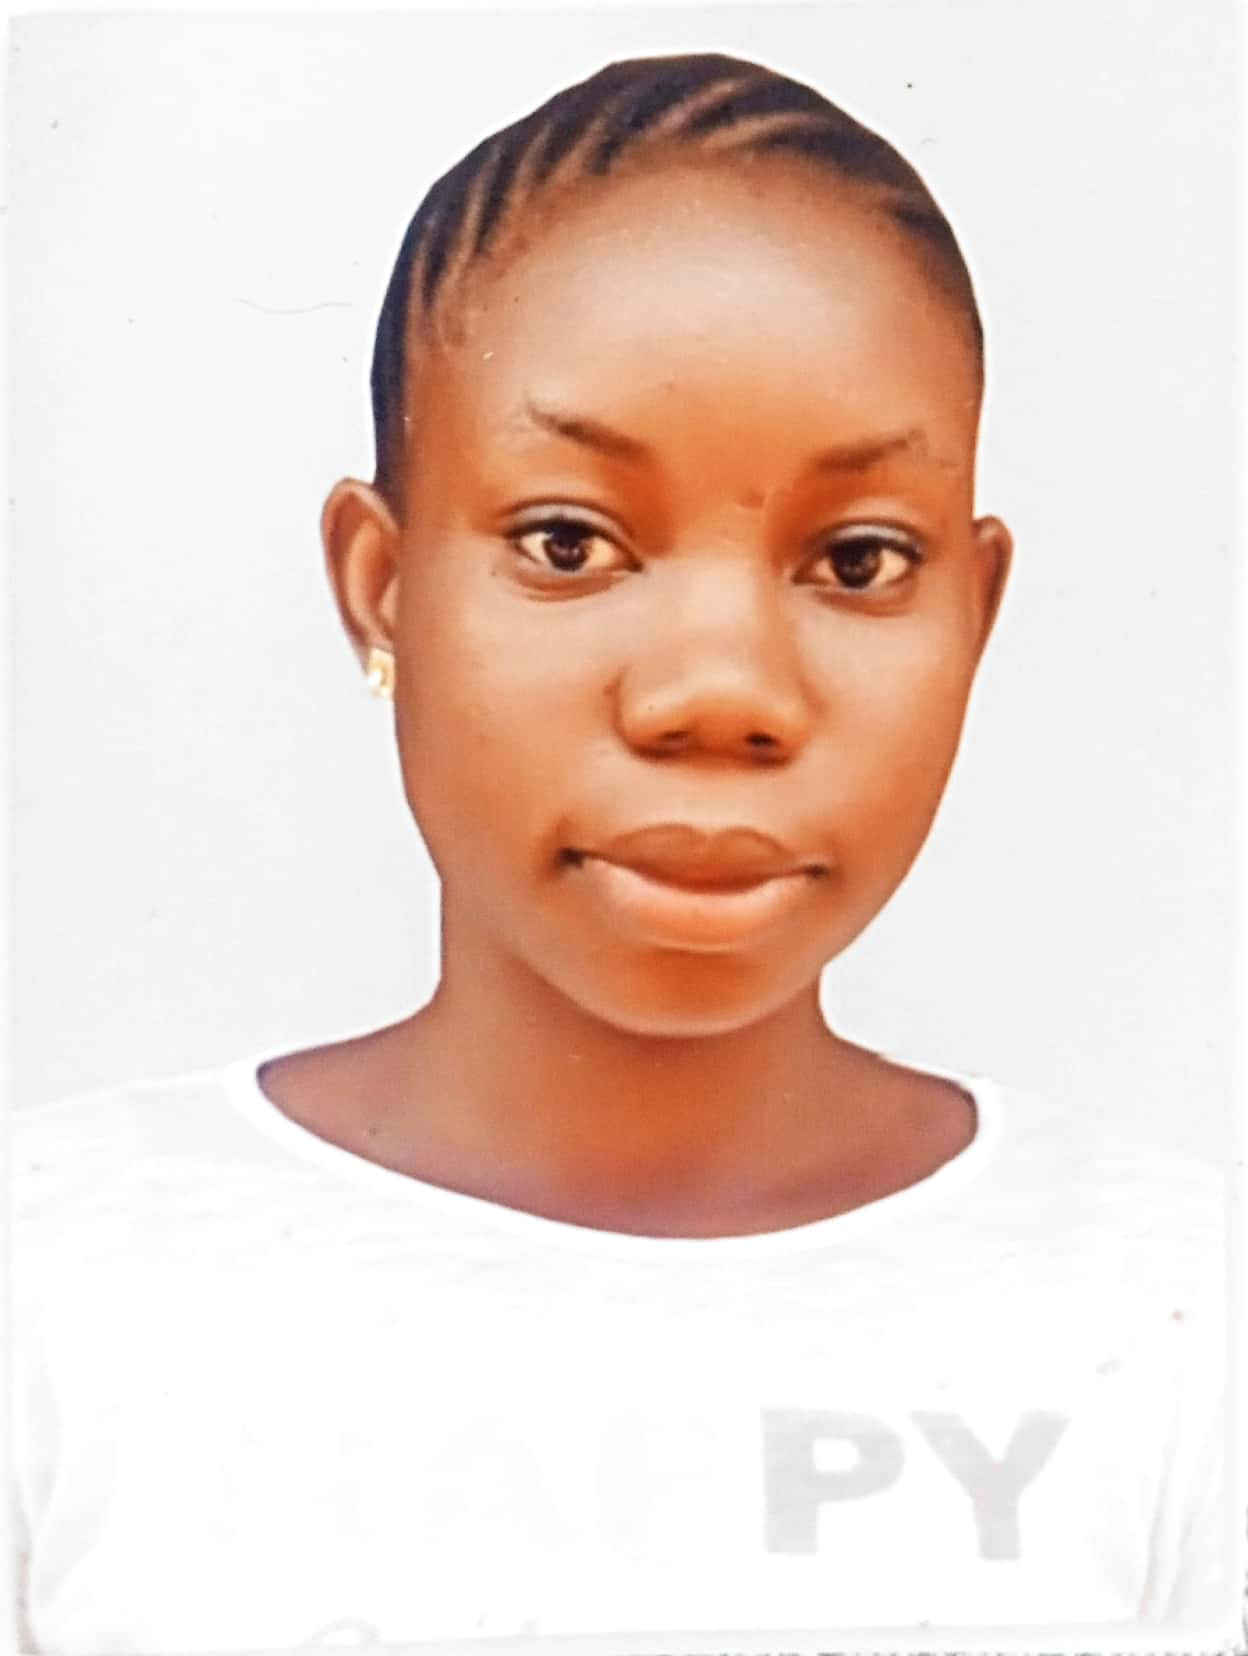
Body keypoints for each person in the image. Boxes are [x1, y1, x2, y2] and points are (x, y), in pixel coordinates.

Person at [12, 51, 1232, 1653]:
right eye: (569, 542)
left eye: (860, 561)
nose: (719, 692)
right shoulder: (49, 1281)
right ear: (383, 590)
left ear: (975, 613)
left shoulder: (1190, 1321)